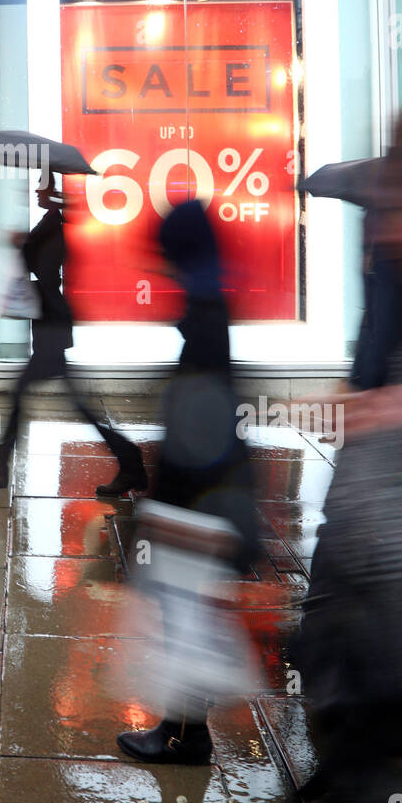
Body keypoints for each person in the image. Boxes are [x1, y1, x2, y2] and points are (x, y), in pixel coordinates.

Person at [293, 104, 402, 803]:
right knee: (337, 575)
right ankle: (343, 745)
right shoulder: (391, 241)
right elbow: (376, 338)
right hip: (377, 468)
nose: (394, 232)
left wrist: (401, 405)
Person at [117, 198, 259, 764]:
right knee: (188, 614)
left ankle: (184, 735)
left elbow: (200, 424)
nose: (160, 266)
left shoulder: (203, 317)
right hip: (209, 496)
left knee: (185, 615)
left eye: (165, 255)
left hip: (199, 499)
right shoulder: (207, 303)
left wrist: (163, 500)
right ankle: (183, 730)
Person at [0, 176, 147, 491]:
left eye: (41, 185)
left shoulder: (54, 224)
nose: (36, 190)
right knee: (49, 398)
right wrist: (24, 245)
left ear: (52, 190)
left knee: (36, 395)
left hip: (51, 324)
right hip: (52, 323)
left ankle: (129, 459)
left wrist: (21, 245)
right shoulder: (55, 220)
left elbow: (47, 273)